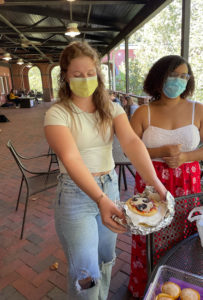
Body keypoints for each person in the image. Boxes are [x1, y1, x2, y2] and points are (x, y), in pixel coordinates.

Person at [44, 41, 167, 300]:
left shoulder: (111, 108)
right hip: (75, 195)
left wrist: (153, 180)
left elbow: (132, 142)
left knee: (105, 258)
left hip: (109, 187)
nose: (85, 79)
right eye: (77, 74)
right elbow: (70, 156)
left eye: (90, 73)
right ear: (65, 76)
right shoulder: (58, 113)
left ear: (98, 74)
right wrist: (99, 199)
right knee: (86, 271)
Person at [129, 55, 203, 299]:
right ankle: (147, 287)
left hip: (187, 184)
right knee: (149, 236)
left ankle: (180, 288)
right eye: (173, 76)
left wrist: (186, 156)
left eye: (184, 76)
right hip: (151, 185)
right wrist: (160, 152)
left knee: (184, 235)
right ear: (159, 78)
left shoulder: (198, 109)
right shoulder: (143, 112)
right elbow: (130, 151)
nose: (178, 81)